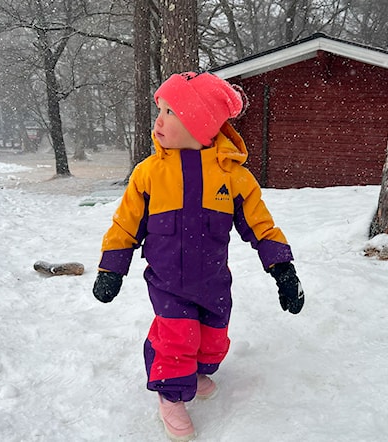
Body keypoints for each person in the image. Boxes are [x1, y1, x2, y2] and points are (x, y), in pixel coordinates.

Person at [93, 71, 305, 441]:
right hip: (168, 283)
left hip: (213, 282)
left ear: (200, 125)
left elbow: (261, 226)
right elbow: (124, 225)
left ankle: (197, 370)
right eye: (160, 109)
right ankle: (170, 395)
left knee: (212, 341)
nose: (159, 120)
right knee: (176, 338)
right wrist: (112, 268)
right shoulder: (148, 175)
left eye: (171, 112)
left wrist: (283, 269)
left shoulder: (233, 177)